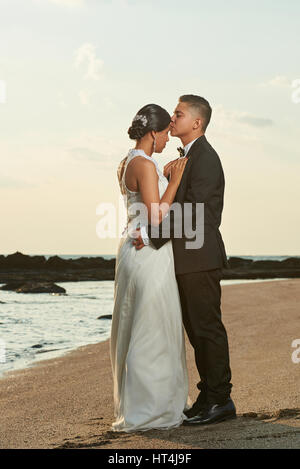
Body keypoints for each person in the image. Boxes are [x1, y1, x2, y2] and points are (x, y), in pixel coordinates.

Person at [133, 95, 236, 426]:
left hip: (200, 257)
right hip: (187, 258)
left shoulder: (205, 158)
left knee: (207, 329)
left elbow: (195, 212)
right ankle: (208, 395)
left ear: (197, 123)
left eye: (178, 114)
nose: (172, 118)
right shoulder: (187, 158)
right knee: (197, 332)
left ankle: (221, 401)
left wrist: (151, 237)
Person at [110, 103, 192, 432]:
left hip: (132, 249)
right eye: (165, 135)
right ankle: (150, 410)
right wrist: (175, 178)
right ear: (153, 133)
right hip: (148, 255)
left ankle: (142, 404)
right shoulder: (144, 164)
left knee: (135, 326)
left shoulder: (126, 161)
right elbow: (157, 214)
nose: (167, 140)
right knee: (153, 328)